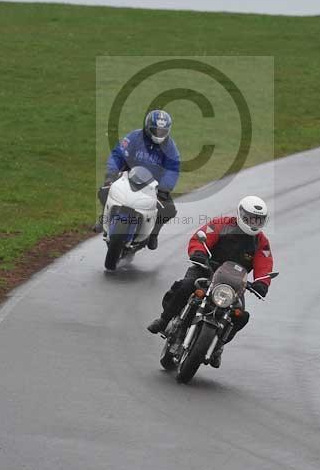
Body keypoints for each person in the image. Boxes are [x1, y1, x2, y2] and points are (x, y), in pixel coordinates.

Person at [147, 195, 274, 367]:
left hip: (234, 284)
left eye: (258, 220)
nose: (254, 222)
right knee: (185, 286)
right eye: (250, 218)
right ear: (241, 214)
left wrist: (262, 283)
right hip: (206, 269)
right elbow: (201, 237)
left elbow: (265, 263)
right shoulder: (222, 224)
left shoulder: (261, 242)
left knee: (240, 315)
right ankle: (163, 320)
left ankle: (218, 346)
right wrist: (199, 252)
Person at [95, 109, 180, 250]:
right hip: (127, 177)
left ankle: (153, 234)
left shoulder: (170, 147)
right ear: (147, 127)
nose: (159, 134)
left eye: (162, 131)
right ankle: (103, 218)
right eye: (156, 130)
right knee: (104, 191)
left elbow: (173, 169)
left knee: (169, 209)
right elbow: (118, 154)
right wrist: (111, 173)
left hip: (153, 186)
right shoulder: (134, 137)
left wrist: (164, 189)